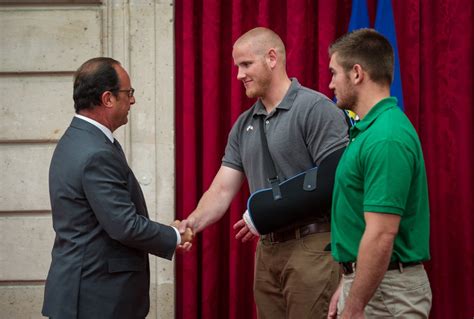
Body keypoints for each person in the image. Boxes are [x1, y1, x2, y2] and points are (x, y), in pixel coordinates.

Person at [179, 27, 349, 318]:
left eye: (246, 65)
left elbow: (337, 180)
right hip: (267, 252)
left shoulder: (315, 109)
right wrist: (191, 222)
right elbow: (221, 189)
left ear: (272, 58)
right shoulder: (243, 124)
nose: (239, 75)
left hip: (312, 247)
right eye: (237, 67)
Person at [42, 57, 192, 319]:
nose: (132, 100)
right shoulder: (95, 151)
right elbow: (124, 226)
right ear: (108, 98)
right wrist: (175, 236)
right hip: (97, 299)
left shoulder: (77, 139)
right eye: (129, 93)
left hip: (83, 292)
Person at [327, 29, 432, 318]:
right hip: (373, 286)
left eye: (334, 73)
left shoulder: (385, 137)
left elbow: (382, 233)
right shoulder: (370, 131)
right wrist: (349, 282)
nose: (330, 83)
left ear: (357, 73)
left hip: (386, 296)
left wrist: (356, 304)